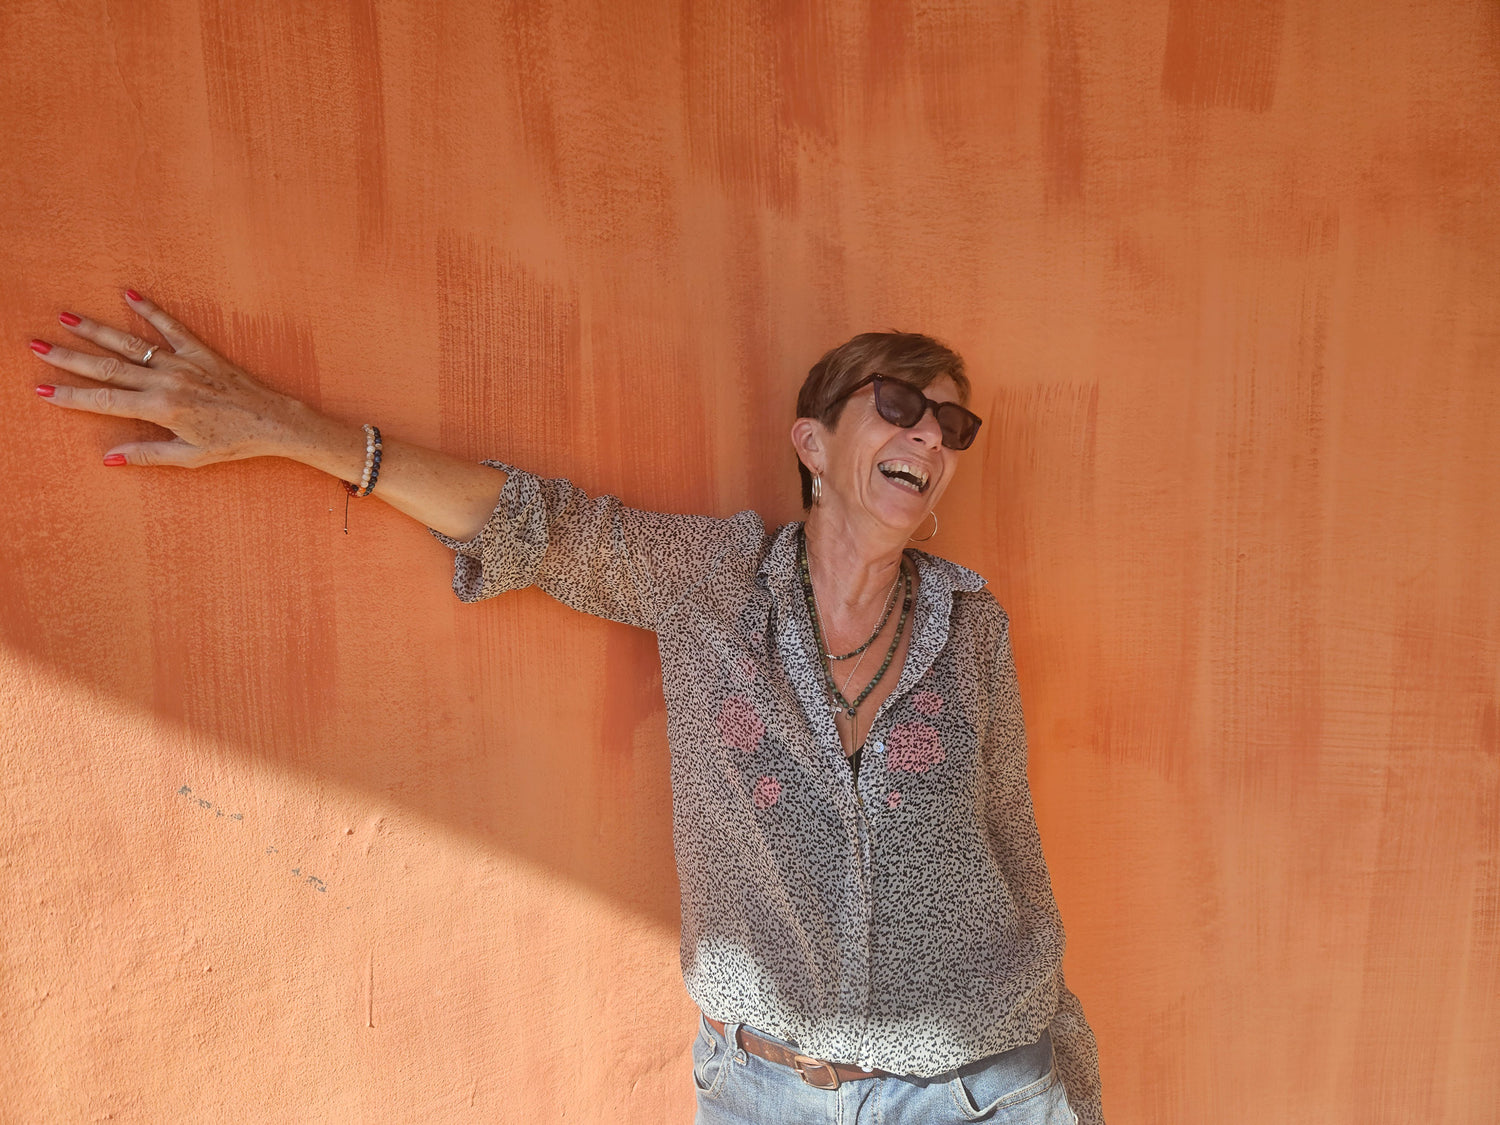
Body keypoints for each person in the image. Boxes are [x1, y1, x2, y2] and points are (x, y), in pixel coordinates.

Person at [30, 290, 1106, 1125]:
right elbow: (532, 525)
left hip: (985, 1085)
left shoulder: (973, 626)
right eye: (900, 405)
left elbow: (1011, 840)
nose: (930, 436)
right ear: (814, 445)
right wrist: (285, 427)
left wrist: (1063, 1075)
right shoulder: (709, 581)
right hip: (774, 1093)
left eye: (951, 423)